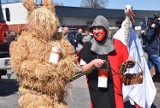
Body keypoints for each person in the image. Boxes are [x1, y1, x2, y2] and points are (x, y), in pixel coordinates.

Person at [79, 15, 129, 108]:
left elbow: (128, 61)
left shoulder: (117, 44)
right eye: (94, 29)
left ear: (105, 29)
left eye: (99, 28)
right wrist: (93, 63)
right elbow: (84, 70)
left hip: (113, 87)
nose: (96, 31)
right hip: (97, 89)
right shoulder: (88, 46)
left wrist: (129, 63)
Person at [114, 20, 156, 108]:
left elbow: (138, 51)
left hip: (133, 68)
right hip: (125, 68)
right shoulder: (120, 36)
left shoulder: (131, 34)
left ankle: (139, 105)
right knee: (123, 91)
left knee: (137, 90)